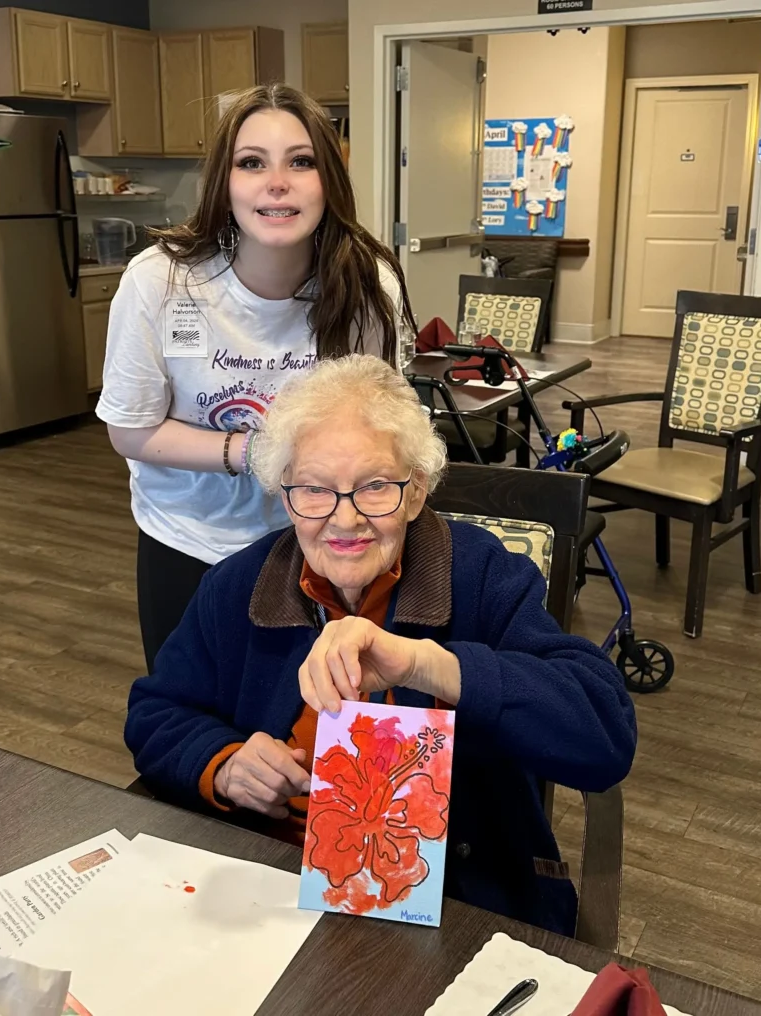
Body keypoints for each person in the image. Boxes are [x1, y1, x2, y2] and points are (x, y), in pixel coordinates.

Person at [124, 355, 637, 934]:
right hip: (269, 892)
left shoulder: (483, 577)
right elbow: (155, 711)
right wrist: (224, 765)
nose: (344, 520)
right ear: (286, 495)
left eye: (374, 487)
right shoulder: (241, 585)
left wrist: (428, 664)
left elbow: (604, 738)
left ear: (416, 492)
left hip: (451, 905)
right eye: (315, 490)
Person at [97, 84, 416, 672]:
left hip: (320, 547)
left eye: (302, 161)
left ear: (330, 182)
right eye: (251, 163)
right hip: (186, 539)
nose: (278, 182)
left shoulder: (369, 285)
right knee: (195, 718)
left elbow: (382, 438)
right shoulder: (161, 281)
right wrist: (258, 451)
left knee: (314, 723)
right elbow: (129, 430)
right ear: (225, 181)